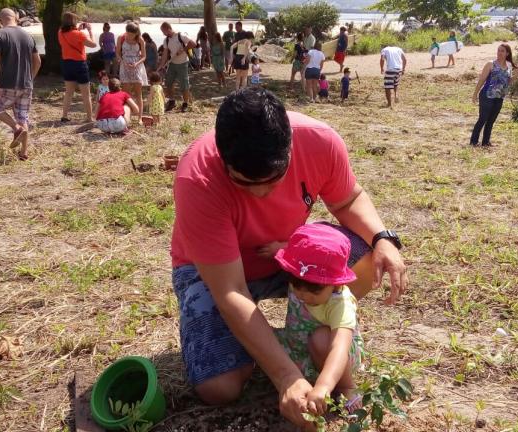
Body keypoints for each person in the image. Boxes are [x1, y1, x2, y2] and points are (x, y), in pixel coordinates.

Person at [170, 87, 408, 430]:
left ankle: (305, 330)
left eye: (273, 179)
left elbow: (347, 200)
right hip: (220, 272)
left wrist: (382, 238)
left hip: (289, 255)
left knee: (369, 264)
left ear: (290, 148)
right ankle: (271, 345)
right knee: (218, 387)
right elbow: (231, 290)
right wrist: (286, 376)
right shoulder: (198, 179)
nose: (261, 193)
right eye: (245, 183)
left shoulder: (320, 141)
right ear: (224, 161)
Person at [273, 224, 364, 416]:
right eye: (296, 285)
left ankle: (347, 387)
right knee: (262, 337)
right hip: (298, 344)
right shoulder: (304, 277)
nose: (303, 294)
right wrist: (278, 249)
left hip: (335, 358)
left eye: (315, 290)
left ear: (336, 282)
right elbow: (296, 257)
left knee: (321, 339)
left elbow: (339, 347)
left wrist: (324, 385)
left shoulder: (340, 303)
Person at [0, 7, 40, 161]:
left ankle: (16, 128)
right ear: (16, 17)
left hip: (7, 83)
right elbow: (37, 61)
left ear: (0, 20)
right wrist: (30, 78)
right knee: (23, 116)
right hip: (26, 84)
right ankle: (24, 153)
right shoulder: (28, 36)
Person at [470, 44, 516, 147]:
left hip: (499, 97)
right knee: (483, 118)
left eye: (502, 51)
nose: (499, 53)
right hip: (487, 95)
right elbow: (482, 80)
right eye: (498, 50)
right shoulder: (490, 64)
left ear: (507, 53)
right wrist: (475, 94)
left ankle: (486, 142)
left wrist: (514, 79)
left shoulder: (509, 65)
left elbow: (508, 81)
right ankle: (473, 141)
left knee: (491, 120)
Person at [58, 12, 97, 123]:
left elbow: (70, 36)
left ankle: (64, 116)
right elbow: (93, 44)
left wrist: (78, 30)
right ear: (73, 22)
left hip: (66, 64)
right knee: (86, 94)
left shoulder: (60, 33)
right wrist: (89, 31)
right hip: (79, 64)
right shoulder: (79, 34)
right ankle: (89, 118)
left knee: (68, 92)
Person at [157, 22, 196, 113]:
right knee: (168, 83)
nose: (163, 34)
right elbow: (165, 54)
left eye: (164, 31)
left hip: (183, 63)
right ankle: (172, 101)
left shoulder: (181, 36)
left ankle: (185, 103)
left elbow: (193, 44)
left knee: (184, 85)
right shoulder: (166, 40)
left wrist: (183, 49)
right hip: (172, 64)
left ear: (168, 29)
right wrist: (161, 66)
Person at [118, 23, 148, 117]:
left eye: (132, 34)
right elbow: (117, 53)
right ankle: (127, 116)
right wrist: (123, 62)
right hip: (125, 66)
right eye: (128, 34)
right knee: (126, 94)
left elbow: (144, 56)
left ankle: (140, 117)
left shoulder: (140, 39)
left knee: (138, 94)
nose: (130, 36)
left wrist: (136, 64)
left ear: (136, 33)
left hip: (137, 67)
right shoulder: (121, 37)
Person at [380, 44, 407, 108]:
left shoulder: (384, 49)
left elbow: (382, 59)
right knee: (395, 84)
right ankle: (396, 95)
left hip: (390, 69)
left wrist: (382, 68)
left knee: (387, 87)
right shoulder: (399, 49)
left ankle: (389, 104)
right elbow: (405, 59)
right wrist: (403, 69)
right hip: (399, 70)